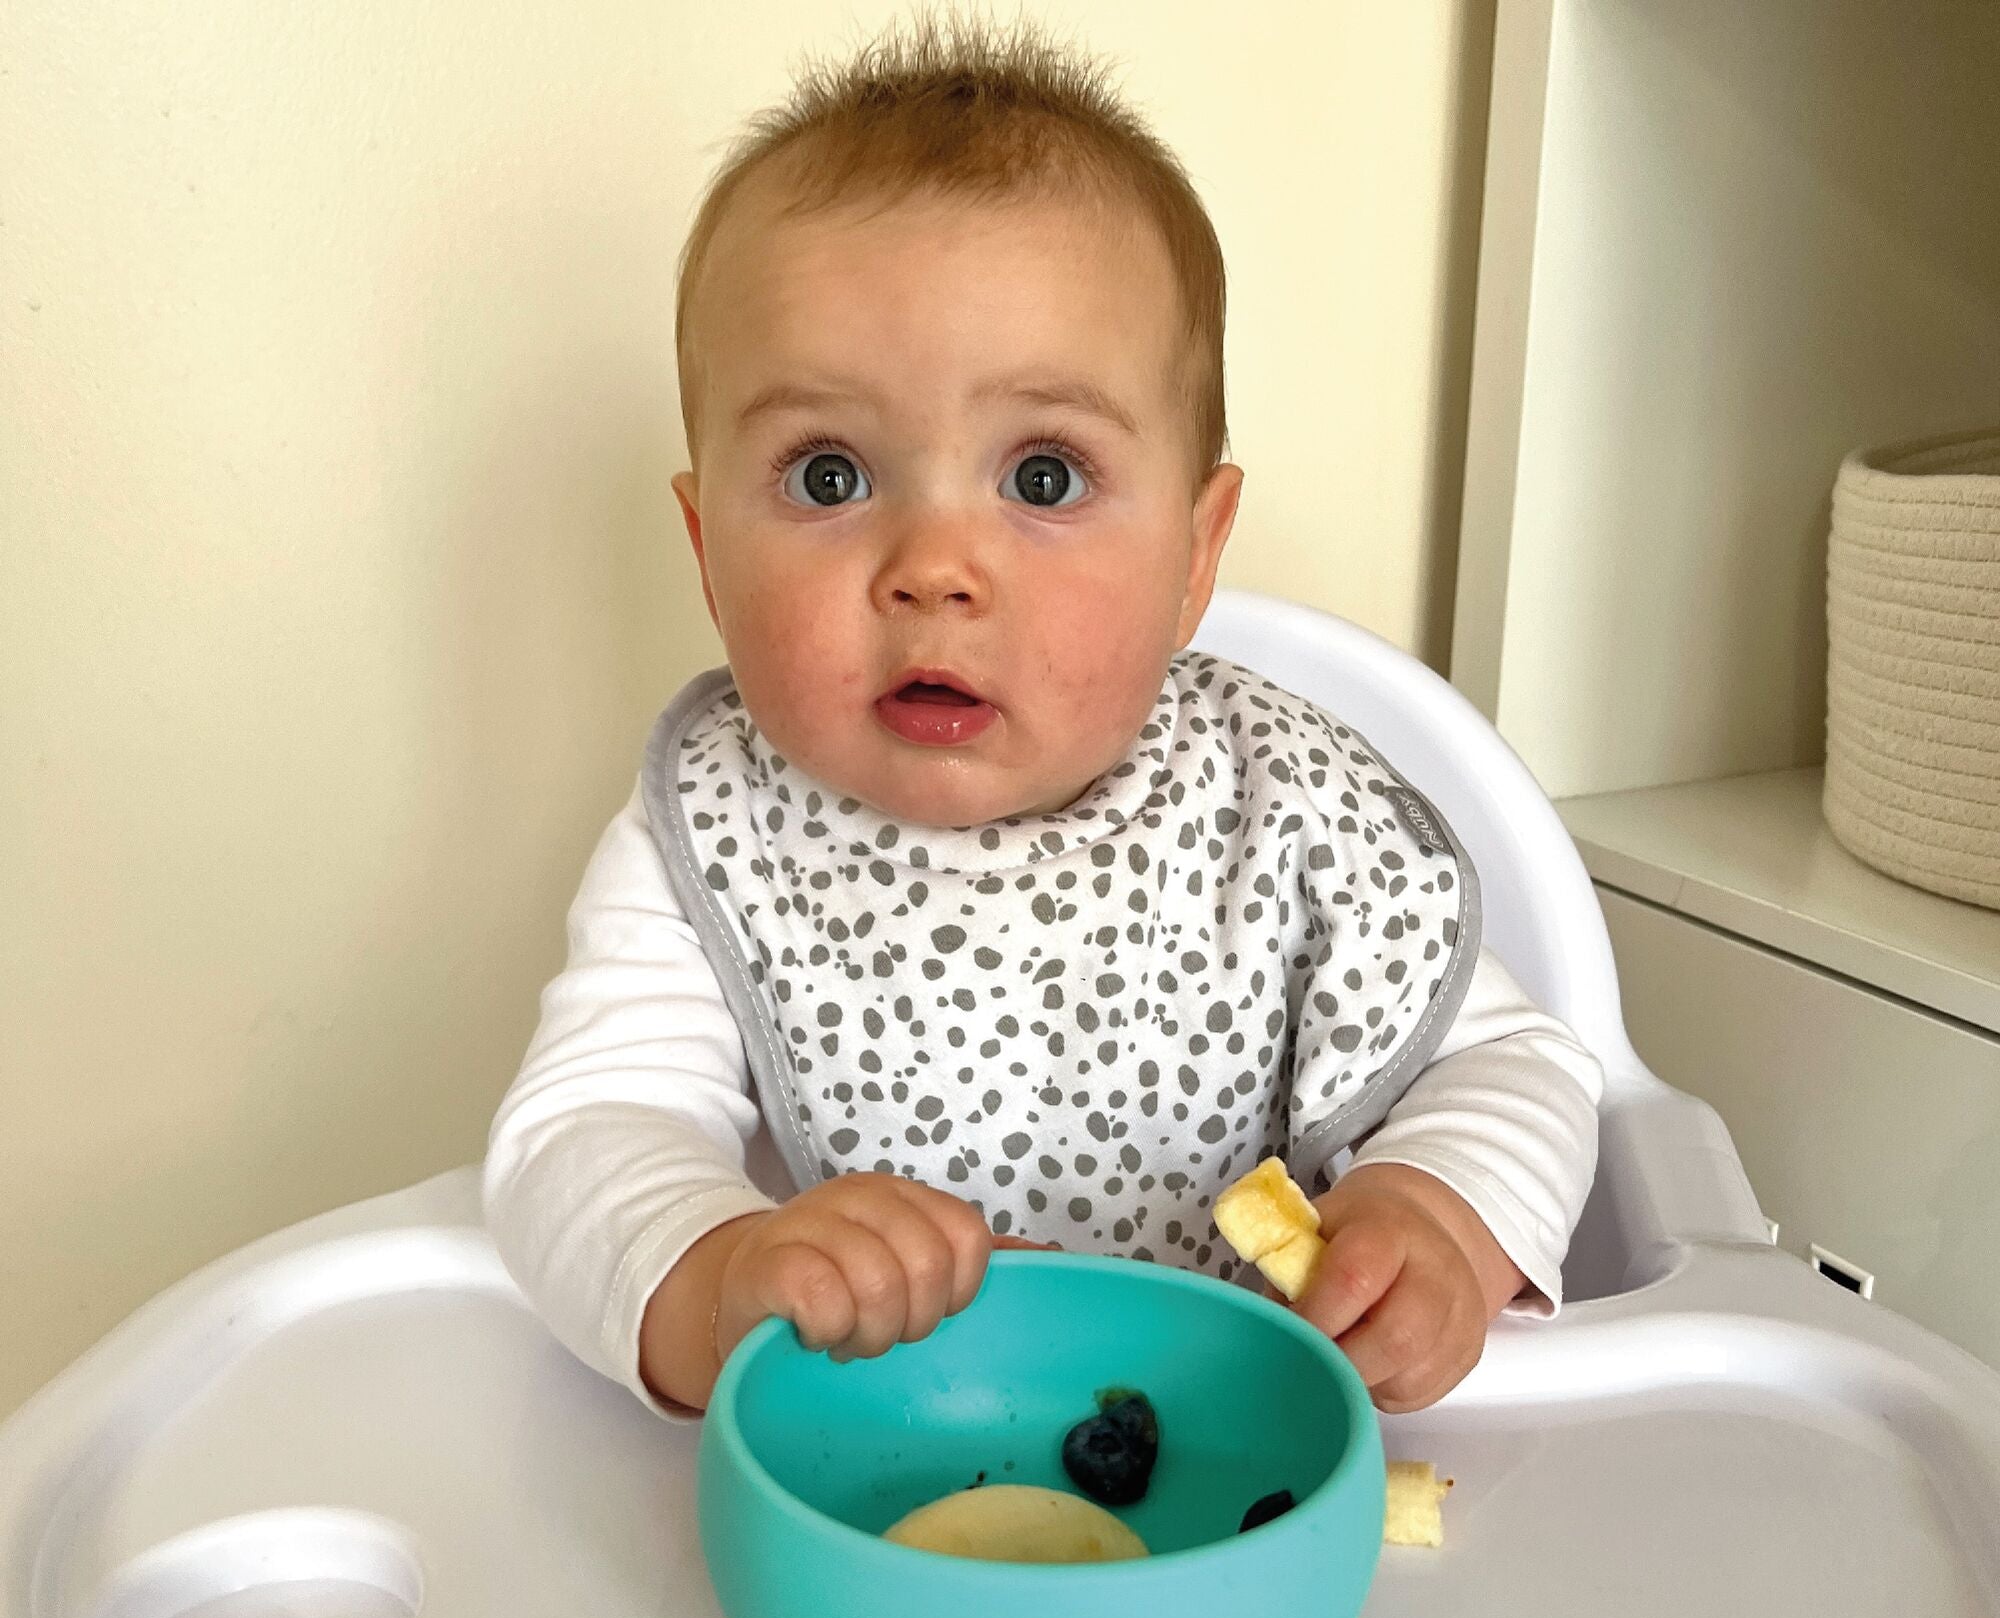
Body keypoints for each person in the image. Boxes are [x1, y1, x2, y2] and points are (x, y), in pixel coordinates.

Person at [483, 12, 1602, 1425]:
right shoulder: (713, 832)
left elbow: (1515, 1065)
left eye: (1048, 478)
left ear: (1196, 556)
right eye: (829, 477)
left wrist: (1437, 1212)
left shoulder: (1286, 809)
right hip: (889, 1456)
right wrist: (718, 1275)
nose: (935, 566)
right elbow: (583, 1135)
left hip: (1252, 1446)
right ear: (707, 552)